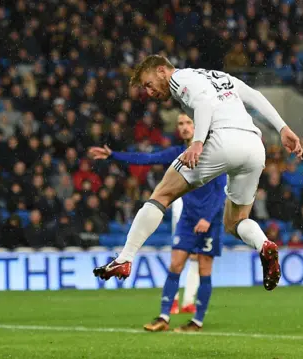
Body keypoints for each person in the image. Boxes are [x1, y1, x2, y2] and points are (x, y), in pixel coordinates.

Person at [93, 55, 303, 293]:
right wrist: (283, 128)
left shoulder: (179, 78)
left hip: (221, 141)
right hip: (254, 146)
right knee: (235, 221)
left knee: (161, 194)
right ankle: (264, 244)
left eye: (148, 84)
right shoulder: (218, 77)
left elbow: (203, 103)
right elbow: (254, 96)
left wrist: (197, 143)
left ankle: (124, 258)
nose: (149, 92)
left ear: (161, 70)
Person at [89, 114, 226, 332]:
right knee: (175, 265)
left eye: (188, 122)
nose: (184, 127)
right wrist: (113, 155)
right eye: (180, 123)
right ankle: (163, 317)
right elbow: (146, 158)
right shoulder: (177, 154)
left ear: (198, 126)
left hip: (209, 220)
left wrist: (207, 218)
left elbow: (221, 191)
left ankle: (197, 321)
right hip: (188, 218)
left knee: (204, 269)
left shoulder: (213, 153)